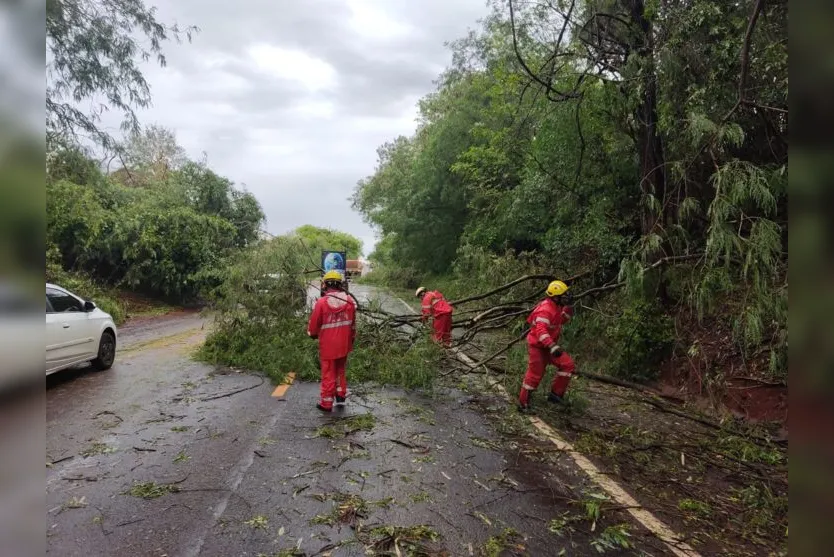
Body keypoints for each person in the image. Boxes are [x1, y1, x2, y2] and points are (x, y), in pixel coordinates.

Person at [518, 280, 576, 412]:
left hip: (550, 346)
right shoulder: (545, 310)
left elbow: (561, 320)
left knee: (568, 365)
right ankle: (523, 404)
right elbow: (541, 331)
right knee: (534, 375)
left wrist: (569, 307)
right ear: (555, 297)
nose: (566, 297)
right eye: (564, 295)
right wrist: (552, 346)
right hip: (538, 347)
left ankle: (555, 396)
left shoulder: (556, 306)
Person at [308, 270, 357, 412]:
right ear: (340, 285)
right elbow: (353, 325)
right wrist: (351, 340)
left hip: (328, 346)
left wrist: (312, 334)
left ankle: (326, 403)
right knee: (340, 370)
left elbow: (314, 325)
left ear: (325, 285)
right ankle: (340, 397)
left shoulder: (322, 303)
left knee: (328, 372)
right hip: (344, 344)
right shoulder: (349, 301)